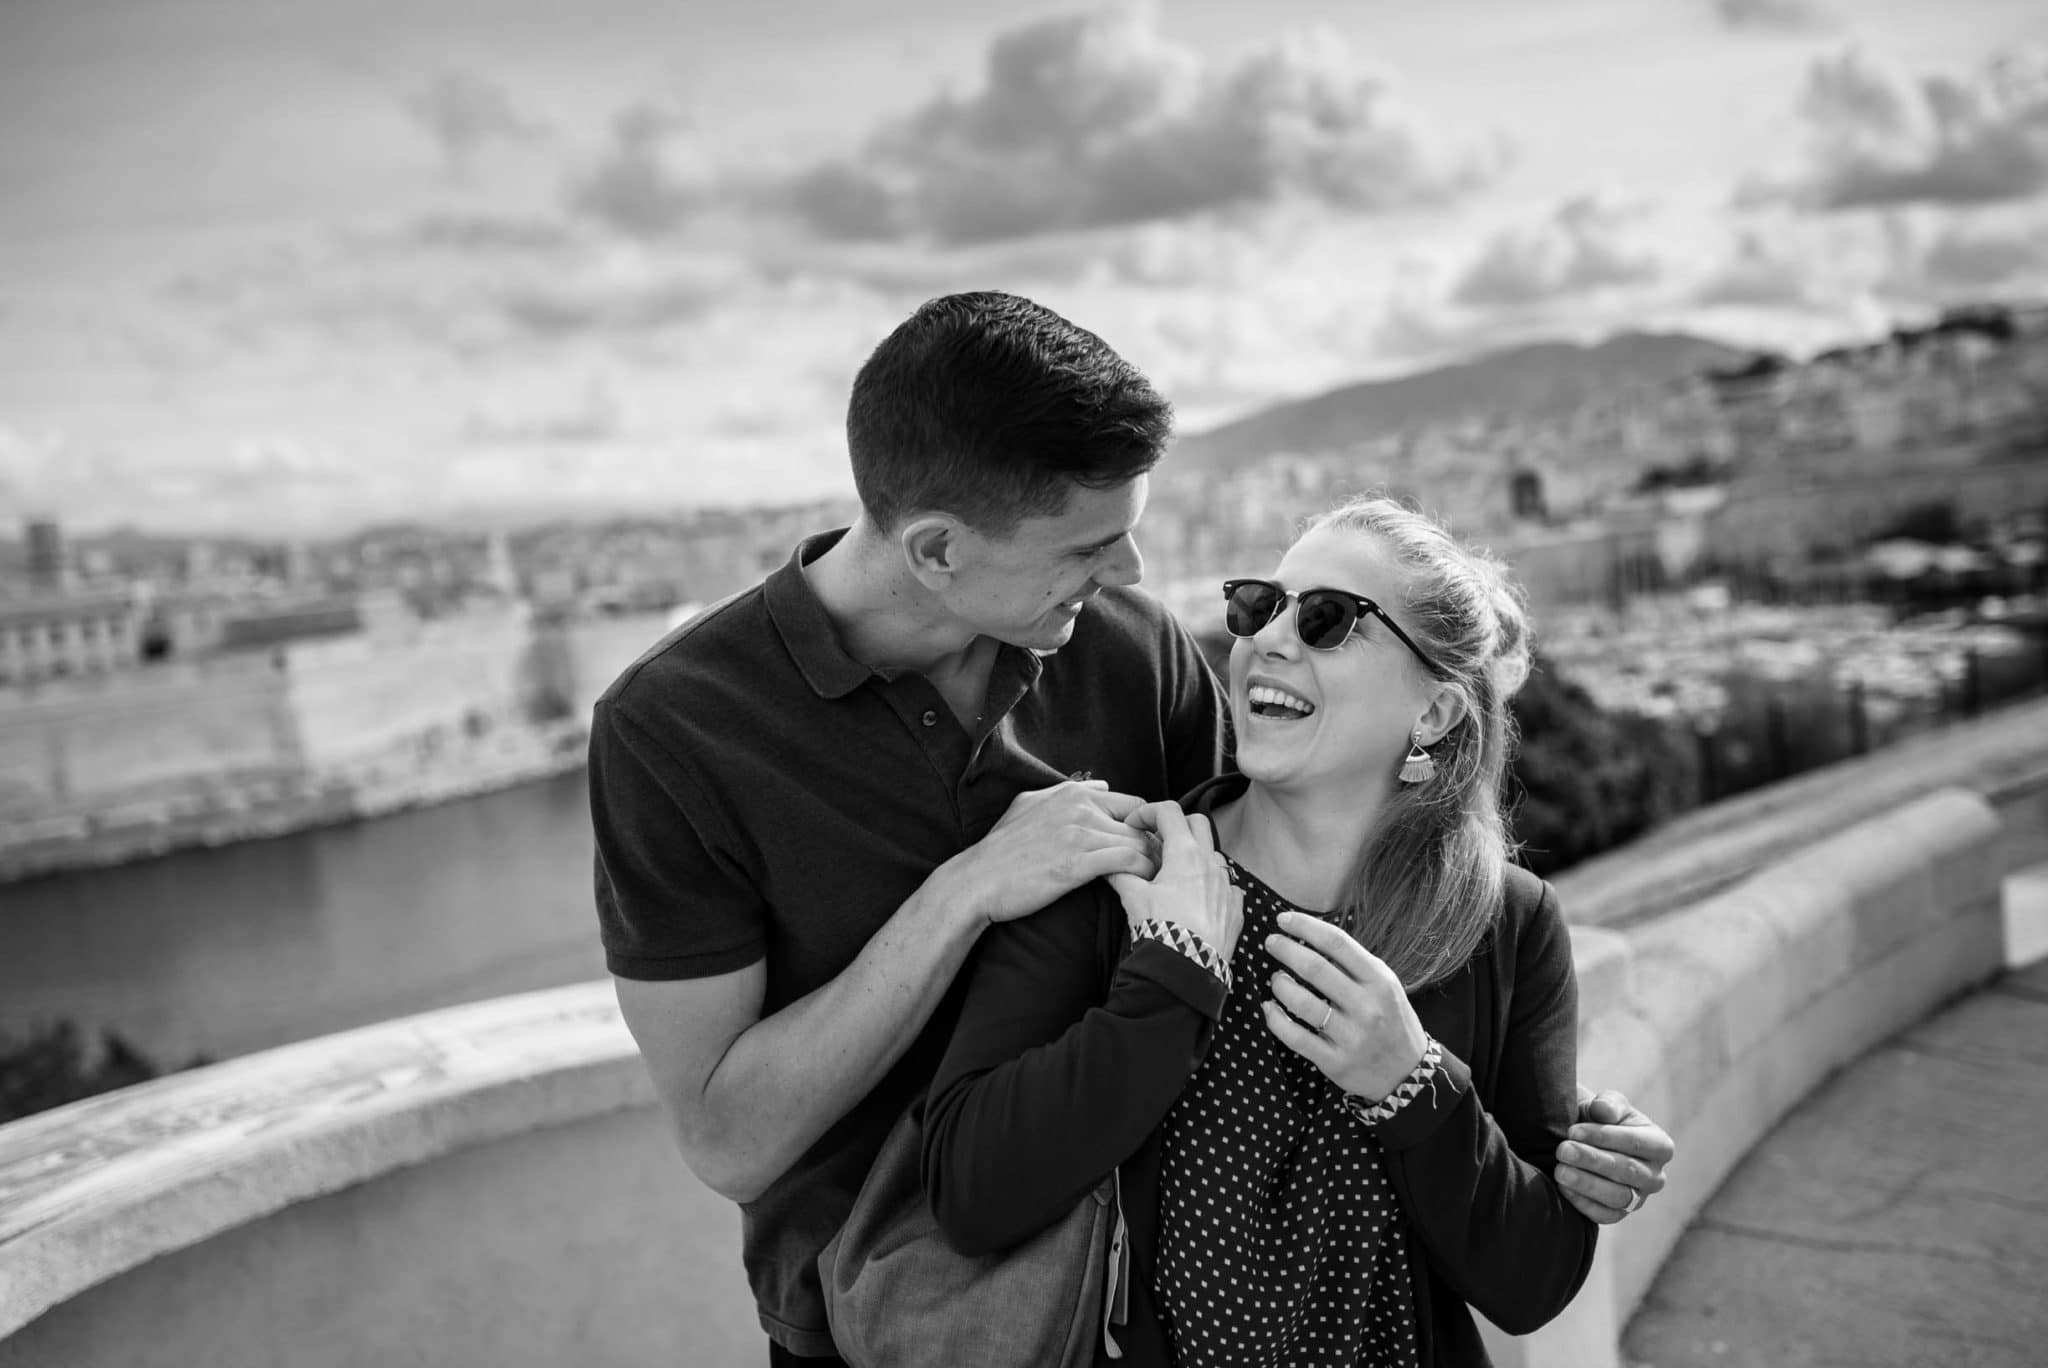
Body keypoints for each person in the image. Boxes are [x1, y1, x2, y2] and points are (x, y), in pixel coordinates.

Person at [588, 293, 1668, 1366]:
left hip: (1135, 1297)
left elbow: (1251, 864)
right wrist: (966, 893)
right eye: (1087, 547)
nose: (1133, 576)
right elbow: (729, 1142)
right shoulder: (673, 730)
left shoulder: (1125, 647)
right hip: (878, 1313)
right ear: (935, 552)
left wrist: (1538, 1128)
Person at [923, 495, 1627, 1366]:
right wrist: (1168, 984)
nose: (1268, 639)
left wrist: (1411, 1087)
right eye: (1261, 606)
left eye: (1329, 620)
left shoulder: (1506, 923)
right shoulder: (1121, 871)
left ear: (1436, 714)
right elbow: (967, 1190)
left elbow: (1534, 1283)